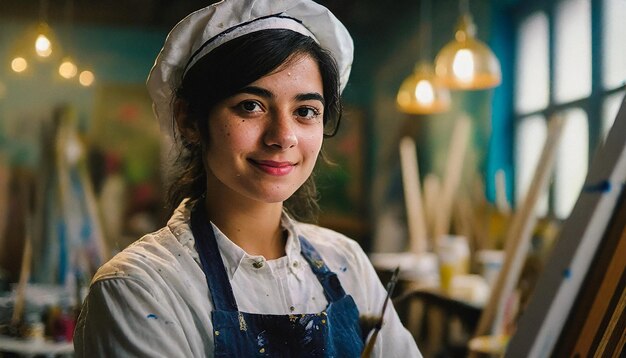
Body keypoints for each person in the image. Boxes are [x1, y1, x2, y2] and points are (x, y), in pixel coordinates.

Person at [73, 0, 421, 356]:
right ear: (189, 120)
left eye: (305, 111)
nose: (283, 136)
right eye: (250, 105)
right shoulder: (140, 289)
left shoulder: (346, 262)